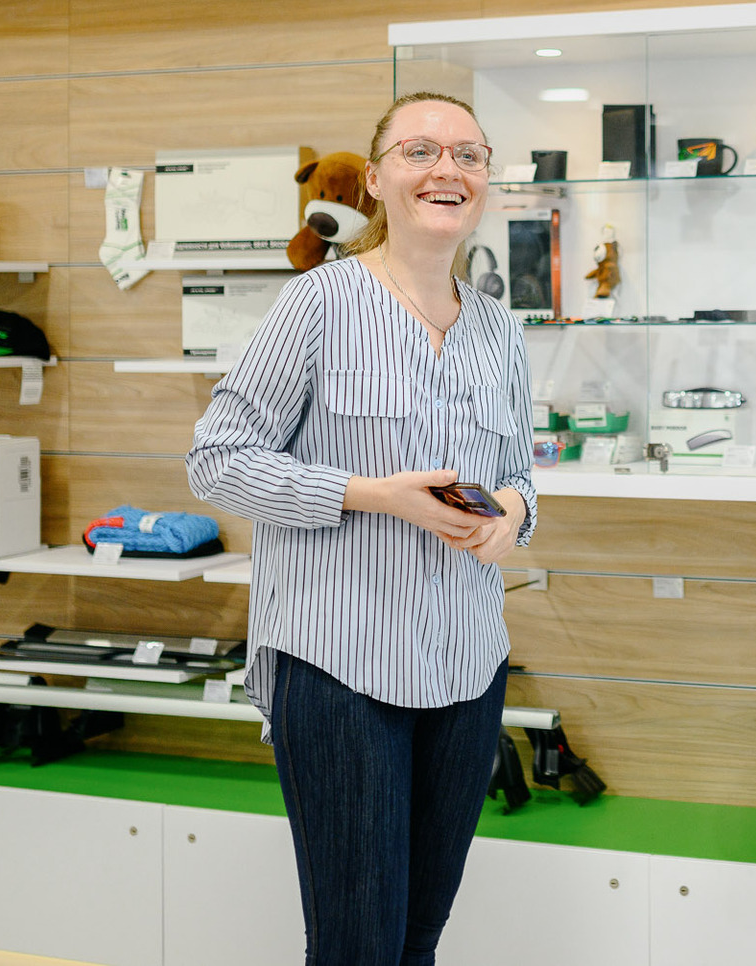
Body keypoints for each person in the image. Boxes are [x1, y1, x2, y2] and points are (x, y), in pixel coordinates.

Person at [186, 92, 536, 966]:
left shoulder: (500, 328)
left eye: (468, 155)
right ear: (376, 180)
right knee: (357, 946)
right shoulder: (316, 304)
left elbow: (521, 477)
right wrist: (376, 495)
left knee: (418, 938)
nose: (447, 169)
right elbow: (217, 461)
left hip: (467, 665)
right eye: (421, 151)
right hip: (340, 666)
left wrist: (515, 515)